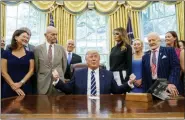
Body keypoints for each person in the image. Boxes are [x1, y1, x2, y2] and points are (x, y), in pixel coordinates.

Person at [52, 50, 135, 95]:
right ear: (86, 60)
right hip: (81, 107)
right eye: (91, 57)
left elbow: (116, 90)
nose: (93, 59)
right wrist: (57, 80)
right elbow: (68, 89)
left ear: (99, 60)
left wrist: (129, 83)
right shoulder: (78, 74)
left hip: (103, 107)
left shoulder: (108, 74)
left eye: (96, 56)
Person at [142, 32, 180, 96]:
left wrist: (171, 83)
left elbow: (175, 68)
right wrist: (145, 92)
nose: (151, 42)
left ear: (159, 40)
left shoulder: (169, 51)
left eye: (153, 40)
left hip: (167, 87)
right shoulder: (145, 56)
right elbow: (145, 75)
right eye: (149, 41)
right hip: (151, 88)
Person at [34, 26, 67, 95]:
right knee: (42, 104)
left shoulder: (61, 48)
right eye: (53, 34)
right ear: (45, 35)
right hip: (43, 83)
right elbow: (36, 67)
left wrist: (59, 74)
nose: (55, 36)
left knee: (59, 105)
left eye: (56, 34)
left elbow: (64, 65)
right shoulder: (37, 49)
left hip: (58, 82)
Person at [1, 29, 34, 98]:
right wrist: (13, 85)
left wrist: (21, 83)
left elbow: (31, 71)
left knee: (26, 108)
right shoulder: (6, 53)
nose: (26, 39)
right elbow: (3, 72)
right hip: (9, 87)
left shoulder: (30, 54)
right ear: (16, 37)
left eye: (27, 38)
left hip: (25, 87)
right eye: (24, 37)